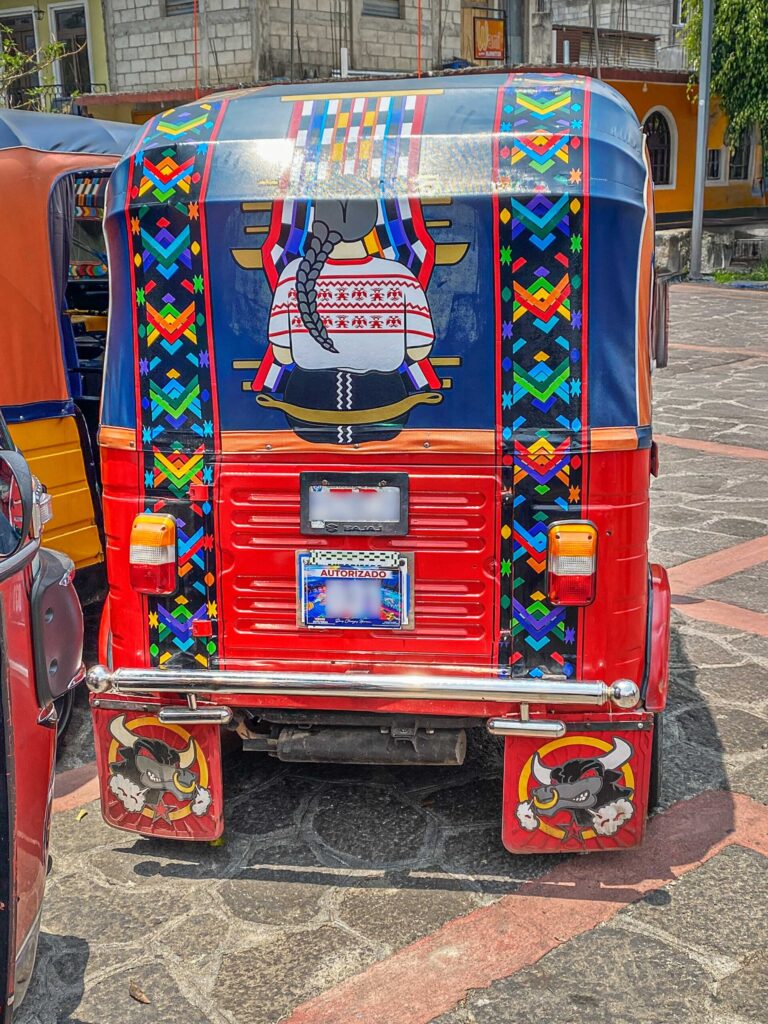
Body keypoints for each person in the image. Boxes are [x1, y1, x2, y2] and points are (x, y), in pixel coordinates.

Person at [266, 198, 436, 444]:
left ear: (316, 223)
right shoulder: (401, 277)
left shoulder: (293, 274)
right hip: (385, 406)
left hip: (305, 408)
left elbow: (283, 356)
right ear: (370, 225)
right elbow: (419, 351)